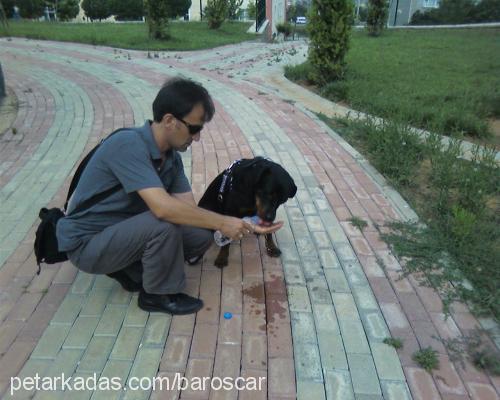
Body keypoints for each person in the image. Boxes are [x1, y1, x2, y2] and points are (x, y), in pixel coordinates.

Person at [56, 77, 283, 315]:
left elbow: (188, 209)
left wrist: (242, 224)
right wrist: (223, 222)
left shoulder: (171, 158)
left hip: (118, 229)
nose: (197, 137)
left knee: (200, 234)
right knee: (162, 223)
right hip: (87, 243)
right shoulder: (128, 144)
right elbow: (164, 209)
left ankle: (132, 268)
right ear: (169, 121)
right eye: (194, 128)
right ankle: (156, 295)